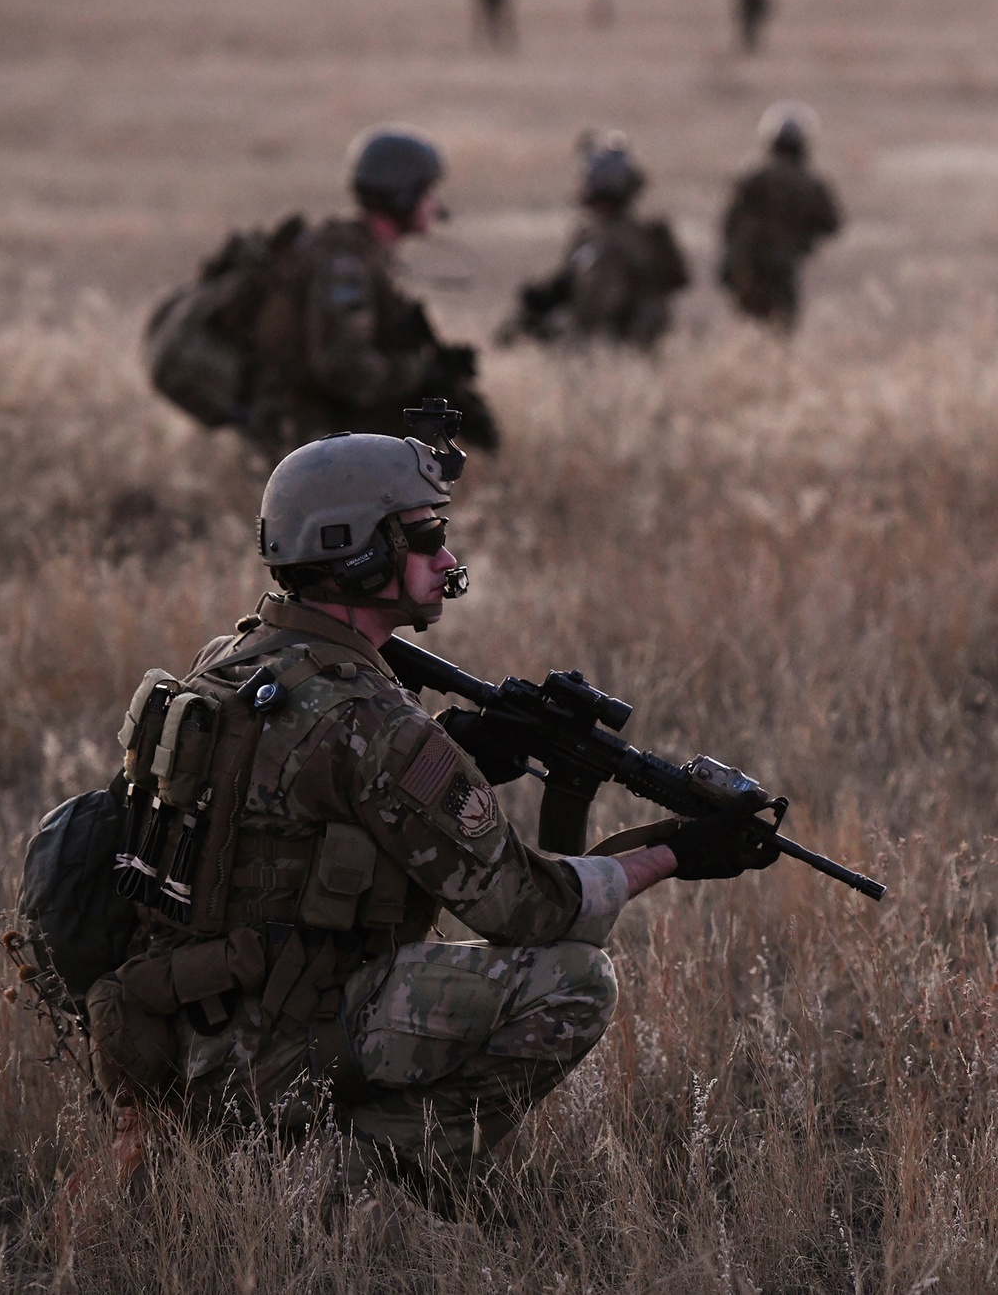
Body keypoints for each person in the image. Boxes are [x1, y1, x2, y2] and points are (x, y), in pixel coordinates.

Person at [85, 411, 778, 1224]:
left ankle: (233, 1143)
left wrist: (463, 753)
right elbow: (525, 911)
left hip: (173, 1027)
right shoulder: (374, 724)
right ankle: (368, 1169)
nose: (446, 557)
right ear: (360, 551)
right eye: (424, 537)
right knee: (575, 983)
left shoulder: (230, 661)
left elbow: (305, 807)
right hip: (270, 1055)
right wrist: (674, 853)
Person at [144, 126, 499, 465]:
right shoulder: (346, 266)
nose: (434, 204)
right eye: (426, 192)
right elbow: (345, 370)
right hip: (291, 417)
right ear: (402, 197)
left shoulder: (361, 254)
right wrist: (420, 371)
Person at [497, 134, 690, 347]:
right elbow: (570, 281)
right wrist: (545, 295)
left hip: (634, 336)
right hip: (588, 334)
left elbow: (678, 280)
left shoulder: (650, 232)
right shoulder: (587, 233)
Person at [718, 106, 842, 332]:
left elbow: (728, 223)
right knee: (783, 329)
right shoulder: (810, 183)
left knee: (751, 325)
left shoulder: (753, 177)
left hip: (750, 266)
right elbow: (832, 224)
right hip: (784, 266)